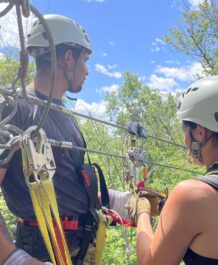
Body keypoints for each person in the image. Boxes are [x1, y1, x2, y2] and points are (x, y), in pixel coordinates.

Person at [0, 14, 129, 264]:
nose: (88, 70)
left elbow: (71, 188)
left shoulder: (64, 114)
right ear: (68, 58)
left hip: (78, 249)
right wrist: (13, 258)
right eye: (85, 60)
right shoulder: (14, 108)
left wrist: (124, 202)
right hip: (39, 250)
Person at [127, 75, 218, 265]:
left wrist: (142, 212)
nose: (185, 139)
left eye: (184, 129)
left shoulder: (191, 195)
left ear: (199, 130)